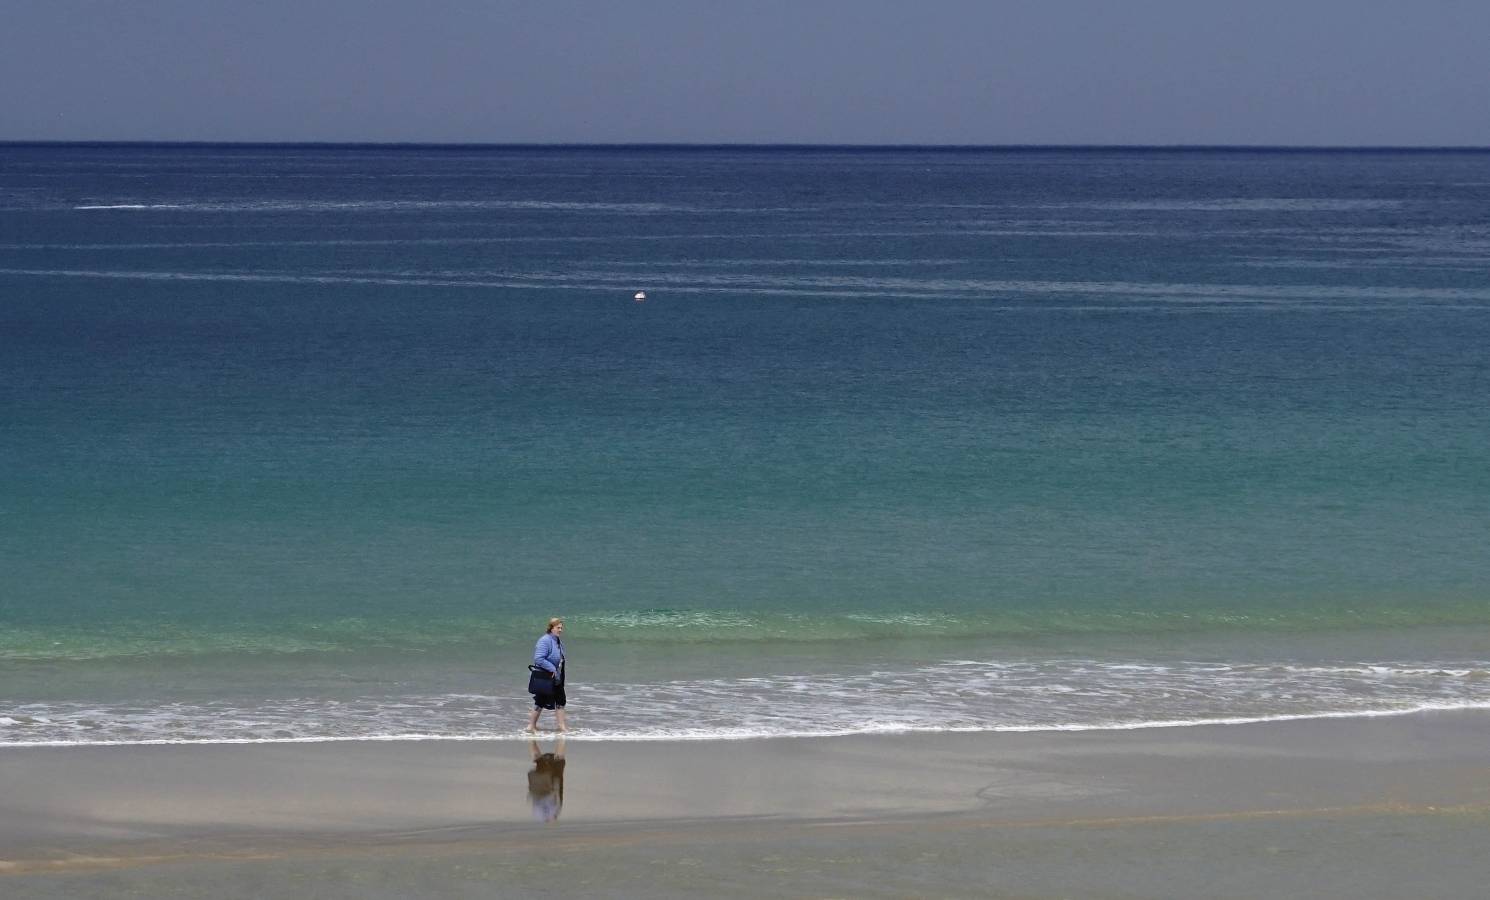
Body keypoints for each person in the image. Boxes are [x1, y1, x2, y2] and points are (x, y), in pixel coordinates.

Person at [526, 617, 567, 733]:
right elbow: (538, 659)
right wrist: (552, 669)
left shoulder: (557, 641)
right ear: (551, 628)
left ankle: (561, 726)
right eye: (558, 628)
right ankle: (531, 726)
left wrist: (558, 672)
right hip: (546, 677)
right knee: (540, 700)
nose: (560, 630)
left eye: (561, 628)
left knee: (561, 700)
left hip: (556, 677)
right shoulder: (545, 640)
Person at [527, 737, 566, 823]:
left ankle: (562, 736)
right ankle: (530, 738)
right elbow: (534, 800)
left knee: (558, 760)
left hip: (550, 783)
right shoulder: (538, 815)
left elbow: (556, 794)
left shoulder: (554, 812)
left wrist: (556, 785)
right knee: (538, 761)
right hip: (541, 782)